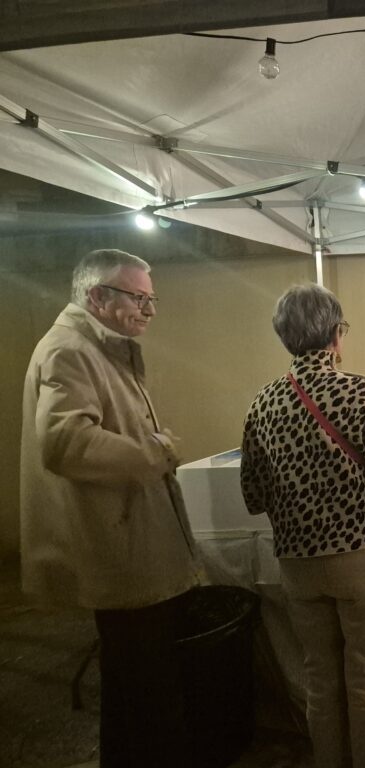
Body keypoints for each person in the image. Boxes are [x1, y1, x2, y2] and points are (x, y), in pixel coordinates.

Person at [20, 248, 201, 767]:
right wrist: (156, 451)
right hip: (122, 549)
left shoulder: (99, 346)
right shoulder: (70, 350)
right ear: (97, 296)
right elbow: (66, 443)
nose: (149, 310)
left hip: (132, 540)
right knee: (143, 691)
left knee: (137, 689)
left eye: (152, 299)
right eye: (138, 298)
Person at [241, 283, 365, 768]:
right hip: (363, 557)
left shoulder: (263, 403)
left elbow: (253, 496)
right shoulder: (360, 392)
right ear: (336, 334)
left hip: (298, 561)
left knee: (320, 678)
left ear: (284, 337)